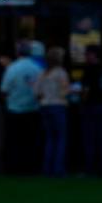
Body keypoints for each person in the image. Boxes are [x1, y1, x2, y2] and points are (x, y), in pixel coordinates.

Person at [0, 41, 42, 174]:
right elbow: (40, 90)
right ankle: (30, 166)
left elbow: (4, 89)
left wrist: (9, 101)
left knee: (14, 141)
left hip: (14, 109)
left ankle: (14, 166)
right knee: (30, 141)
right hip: (32, 109)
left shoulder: (12, 68)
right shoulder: (37, 68)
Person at [34, 47, 71, 176]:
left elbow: (37, 93)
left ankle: (47, 167)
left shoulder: (42, 73)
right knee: (60, 138)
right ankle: (58, 168)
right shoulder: (61, 73)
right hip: (58, 106)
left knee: (50, 138)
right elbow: (65, 91)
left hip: (45, 106)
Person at [80, 45, 102, 175]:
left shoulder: (90, 70)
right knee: (101, 138)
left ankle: (90, 168)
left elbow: (86, 90)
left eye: (87, 54)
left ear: (93, 55)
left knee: (90, 138)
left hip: (92, 106)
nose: (85, 56)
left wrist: (82, 100)